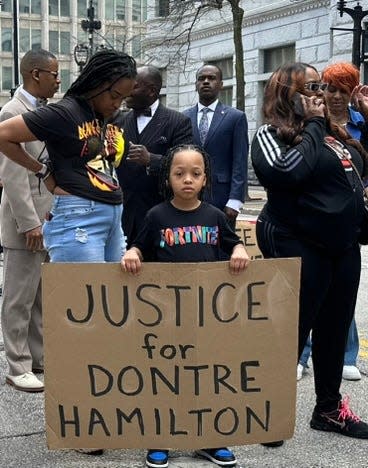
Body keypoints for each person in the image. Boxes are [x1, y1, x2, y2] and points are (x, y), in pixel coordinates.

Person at [251, 62, 368, 441]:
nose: (321, 93)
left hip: (344, 247)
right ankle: (268, 413)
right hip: (299, 243)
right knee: (291, 331)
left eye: (324, 85)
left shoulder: (334, 135)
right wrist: (316, 125)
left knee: (335, 330)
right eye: (313, 86)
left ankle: (329, 410)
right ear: (288, 93)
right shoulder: (270, 135)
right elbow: (288, 173)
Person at [122, 144, 250, 468]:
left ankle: (208, 437)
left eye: (195, 174)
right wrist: (133, 254)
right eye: (180, 174)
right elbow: (138, 245)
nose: (187, 180)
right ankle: (161, 436)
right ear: (169, 177)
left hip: (206, 317)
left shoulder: (215, 216)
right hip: (166, 318)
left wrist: (238, 252)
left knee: (205, 377)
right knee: (166, 377)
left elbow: (234, 244)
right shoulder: (156, 216)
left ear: (205, 179)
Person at [0, 49, 136, 264]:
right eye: (114, 96)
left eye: (123, 98)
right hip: (79, 219)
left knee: (108, 296)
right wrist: (42, 171)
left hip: (112, 217)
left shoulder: (100, 115)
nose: (117, 104)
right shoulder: (65, 112)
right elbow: (3, 135)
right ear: (97, 84)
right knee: (82, 296)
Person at [298, 62, 366, 382]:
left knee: (342, 293)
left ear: (353, 92)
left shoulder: (361, 124)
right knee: (311, 291)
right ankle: (302, 354)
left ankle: (345, 355)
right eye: (330, 88)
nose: (336, 96)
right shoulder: (314, 120)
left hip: (351, 221)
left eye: (343, 90)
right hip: (318, 220)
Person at [0, 49, 60, 392]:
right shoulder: (12, 112)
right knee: (19, 298)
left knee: (40, 297)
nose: (58, 80)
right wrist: (29, 224)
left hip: (46, 217)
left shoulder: (42, 111)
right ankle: (17, 365)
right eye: (53, 74)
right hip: (26, 224)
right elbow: (12, 175)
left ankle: (38, 358)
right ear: (35, 74)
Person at [116, 65, 193, 248]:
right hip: (123, 218)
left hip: (161, 217)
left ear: (151, 91)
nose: (127, 92)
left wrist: (151, 159)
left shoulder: (178, 122)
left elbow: (187, 166)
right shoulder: (119, 121)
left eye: (133, 87)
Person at [183, 64, 248, 229]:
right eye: (201, 79)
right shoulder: (183, 118)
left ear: (221, 84)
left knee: (221, 251)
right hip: (189, 196)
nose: (206, 82)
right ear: (195, 85)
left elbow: (239, 161)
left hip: (222, 199)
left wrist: (235, 201)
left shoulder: (236, 118)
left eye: (211, 78)